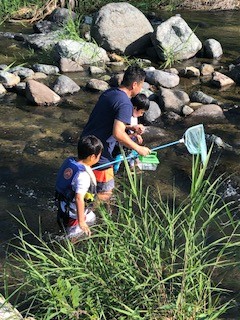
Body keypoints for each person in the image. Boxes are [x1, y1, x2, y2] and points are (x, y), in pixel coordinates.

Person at [80, 65, 151, 201]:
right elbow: (118, 134)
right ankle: (89, 218)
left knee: (85, 187)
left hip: (85, 145)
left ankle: (78, 210)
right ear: (134, 84)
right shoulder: (126, 104)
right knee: (106, 192)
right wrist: (138, 148)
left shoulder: (109, 93)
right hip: (100, 153)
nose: (141, 89)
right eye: (141, 85)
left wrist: (130, 128)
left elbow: (106, 121)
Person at [55, 135, 103, 238]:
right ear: (92, 157)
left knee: (92, 219)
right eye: (99, 155)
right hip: (74, 215)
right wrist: (81, 222)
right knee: (74, 237)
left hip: (64, 205)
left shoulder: (71, 161)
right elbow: (79, 198)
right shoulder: (83, 176)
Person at [113, 93, 150, 173]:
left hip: (129, 147)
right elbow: (121, 136)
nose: (141, 115)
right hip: (119, 149)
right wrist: (134, 135)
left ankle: (132, 171)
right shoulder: (125, 117)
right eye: (141, 112)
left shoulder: (134, 117)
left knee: (133, 159)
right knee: (116, 164)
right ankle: (115, 175)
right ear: (135, 108)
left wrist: (138, 134)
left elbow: (132, 130)